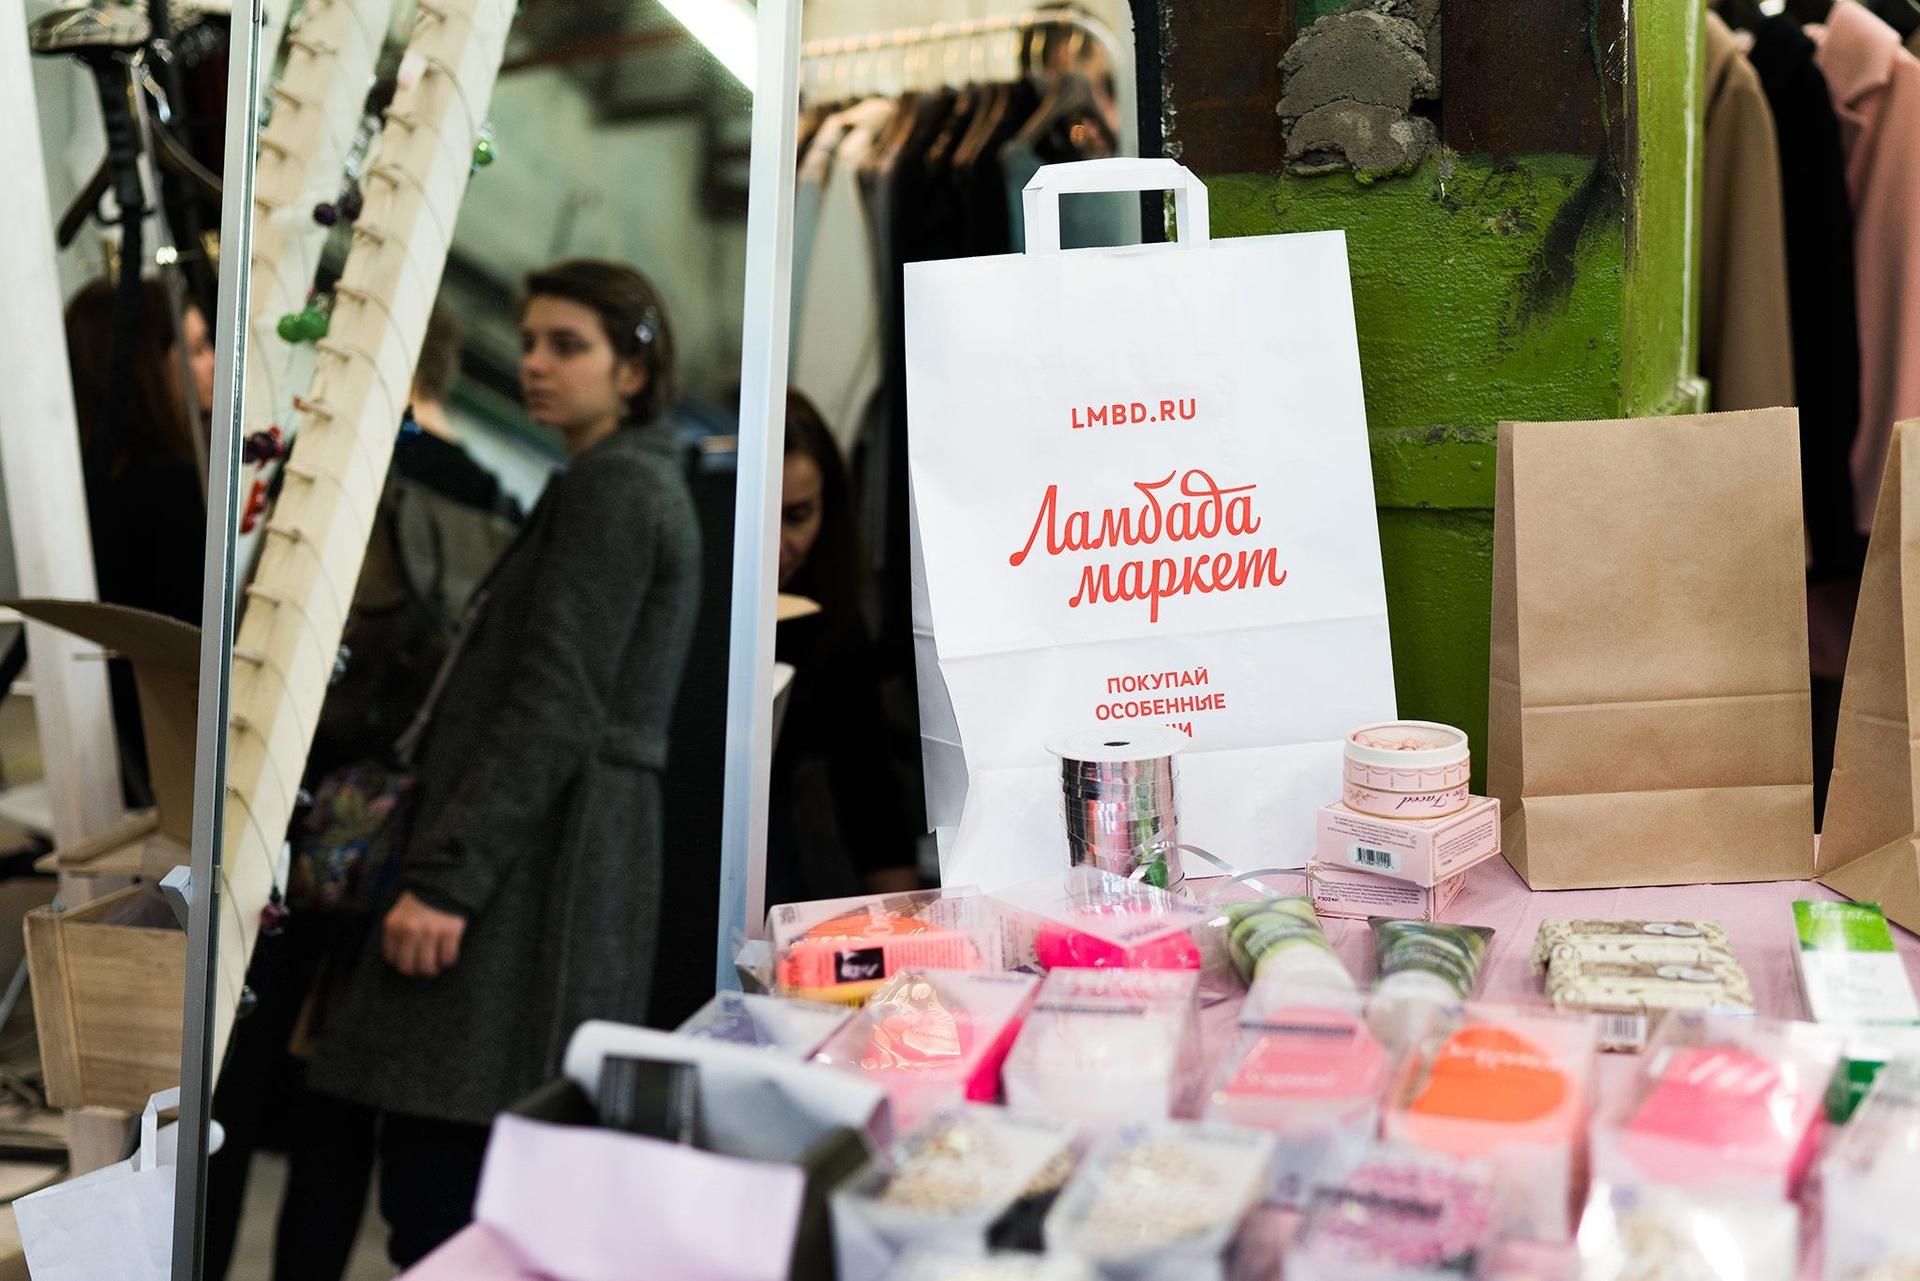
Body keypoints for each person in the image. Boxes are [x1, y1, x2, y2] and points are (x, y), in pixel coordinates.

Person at [306, 260, 701, 1269]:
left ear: (633, 371)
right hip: (558, 860)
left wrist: (449, 878)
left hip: (538, 881)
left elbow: (556, 700)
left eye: (567, 346)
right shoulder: (617, 480)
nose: (534, 364)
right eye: (528, 342)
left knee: (450, 1201)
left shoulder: (617, 488)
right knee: (467, 1193)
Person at [62, 277, 213, 803]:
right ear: (147, 368)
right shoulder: (165, 489)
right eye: (196, 349)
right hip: (180, 766)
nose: (214, 363)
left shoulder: (90, 486)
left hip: (133, 763)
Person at [770, 390, 919, 904]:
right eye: (759, 518)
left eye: (798, 515)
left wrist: (907, 937)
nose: (777, 546)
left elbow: (867, 787)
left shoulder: (832, 622)